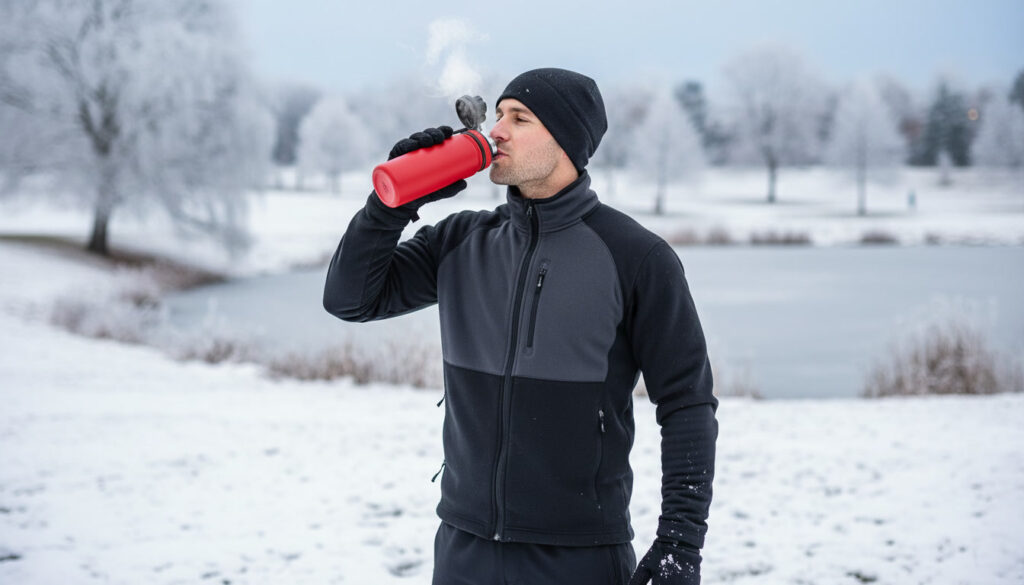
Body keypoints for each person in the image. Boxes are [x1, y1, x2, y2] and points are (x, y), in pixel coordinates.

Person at [324, 68, 718, 585]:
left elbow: (688, 405)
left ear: (566, 140)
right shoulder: (461, 241)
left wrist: (679, 547)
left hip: (579, 556)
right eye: (498, 115)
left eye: (520, 118)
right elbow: (351, 300)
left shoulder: (636, 257)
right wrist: (389, 207)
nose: (497, 131)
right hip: (463, 549)